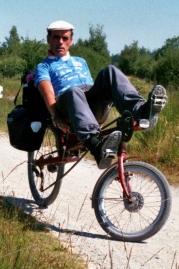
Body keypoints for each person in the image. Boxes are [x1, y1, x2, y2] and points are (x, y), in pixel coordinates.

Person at [35, 20, 167, 169]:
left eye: (65, 38)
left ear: (71, 40)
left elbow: (92, 88)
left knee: (110, 71)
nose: (60, 42)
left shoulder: (81, 61)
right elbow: (47, 92)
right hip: (67, 105)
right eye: (55, 37)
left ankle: (142, 111)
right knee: (74, 91)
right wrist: (56, 116)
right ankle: (95, 146)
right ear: (48, 39)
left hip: (88, 102)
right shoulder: (43, 66)